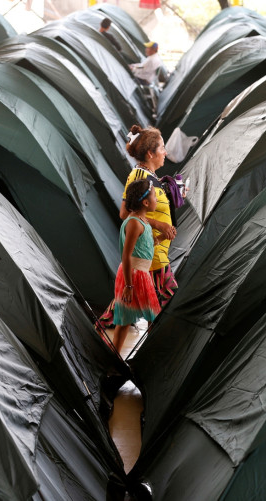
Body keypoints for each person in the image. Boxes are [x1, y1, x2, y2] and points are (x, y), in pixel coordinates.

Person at [98, 125, 180, 328]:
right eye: (162, 148)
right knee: (167, 292)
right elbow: (125, 213)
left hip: (156, 248)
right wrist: (158, 223)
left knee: (130, 301)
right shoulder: (139, 177)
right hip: (150, 250)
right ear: (151, 153)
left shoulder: (149, 176)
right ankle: (152, 341)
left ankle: (101, 331)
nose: (165, 153)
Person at [110, 179, 161, 354]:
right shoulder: (133, 223)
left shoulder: (143, 221)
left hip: (141, 274)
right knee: (127, 320)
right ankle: (115, 358)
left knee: (150, 317)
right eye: (155, 196)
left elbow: (144, 248)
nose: (157, 200)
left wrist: (163, 238)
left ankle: (144, 355)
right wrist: (129, 286)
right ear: (145, 202)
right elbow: (126, 254)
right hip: (132, 275)